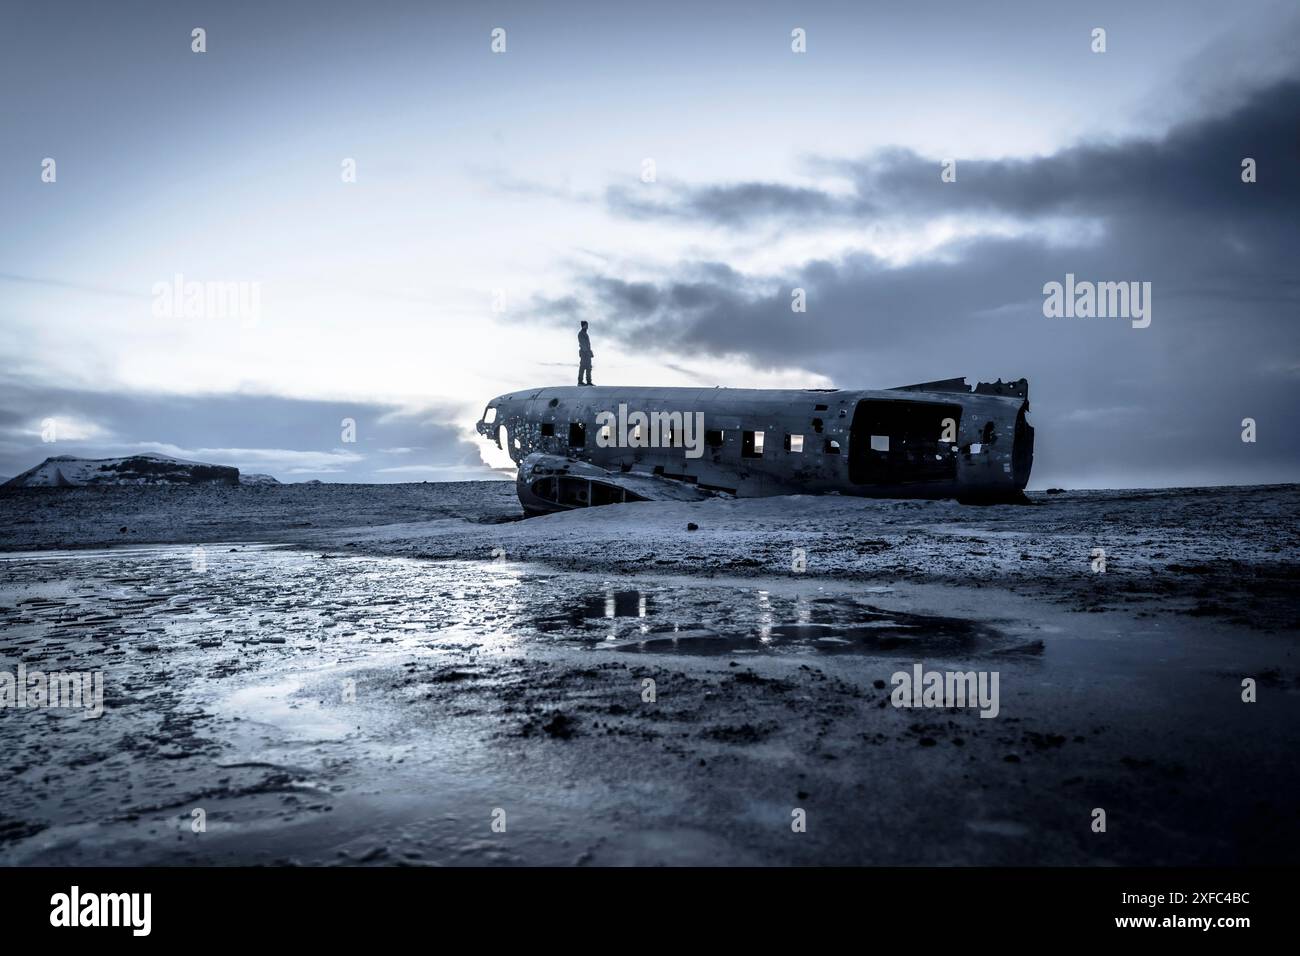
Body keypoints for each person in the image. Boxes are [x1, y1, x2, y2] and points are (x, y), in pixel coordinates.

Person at [577, 321, 594, 386]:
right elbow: (583, 344)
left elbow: (587, 345)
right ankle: (580, 382)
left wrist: (590, 352)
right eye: (586, 325)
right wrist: (587, 352)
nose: (587, 326)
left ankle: (589, 382)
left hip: (587, 353)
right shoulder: (581, 334)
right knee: (583, 367)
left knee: (588, 367)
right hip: (584, 353)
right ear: (583, 325)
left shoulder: (585, 334)